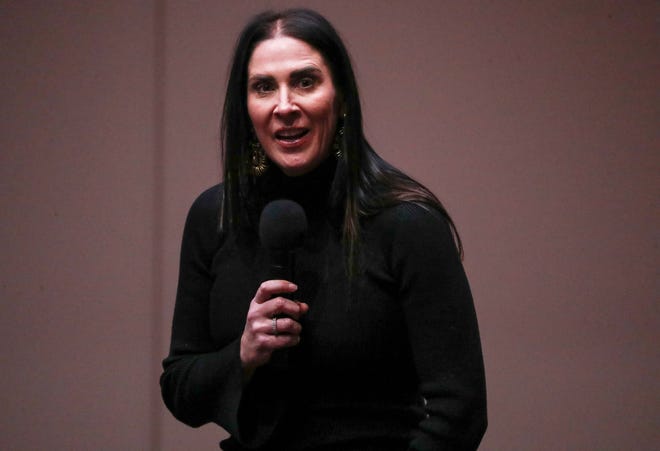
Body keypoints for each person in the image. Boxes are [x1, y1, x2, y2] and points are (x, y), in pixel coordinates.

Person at [160, 8, 487, 451]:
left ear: (342, 96)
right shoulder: (213, 216)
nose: (284, 106)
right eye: (263, 87)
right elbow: (180, 389)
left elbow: (460, 411)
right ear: (245, 106)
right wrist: (244, 353)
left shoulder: (407, 222)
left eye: (305, 82)